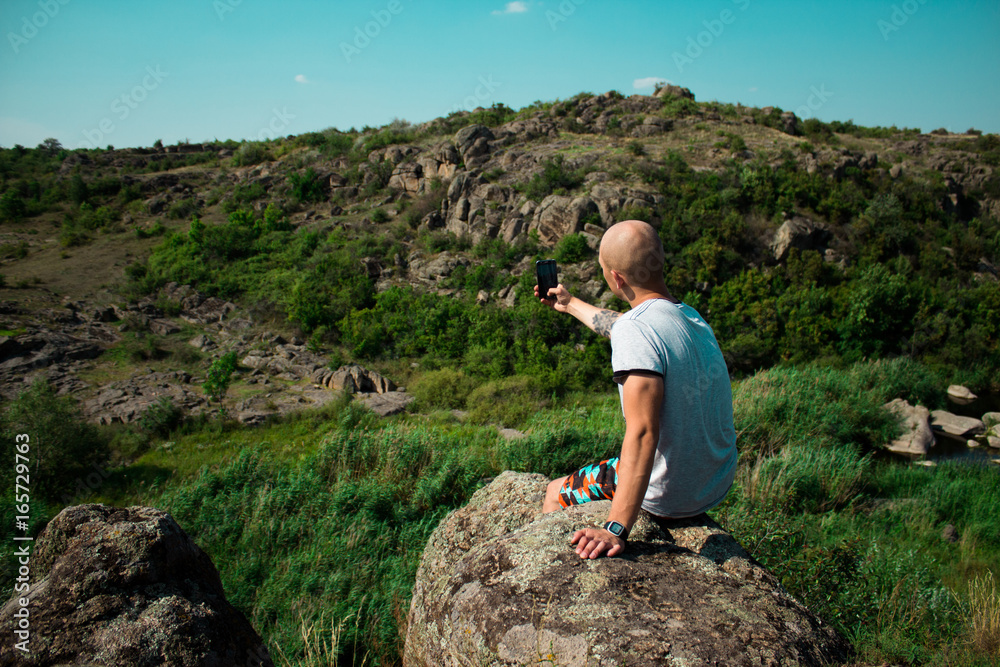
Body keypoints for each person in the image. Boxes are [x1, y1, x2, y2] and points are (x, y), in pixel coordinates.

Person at [534, 220, 737, 560]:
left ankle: (547, 565)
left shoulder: (636, 330)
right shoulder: (689, 316)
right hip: (714, 481)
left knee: (555, 491)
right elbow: (623, 326)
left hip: (672, 495)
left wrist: (616, 527)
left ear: (616, 278)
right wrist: (569, 304)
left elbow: (643, 432)